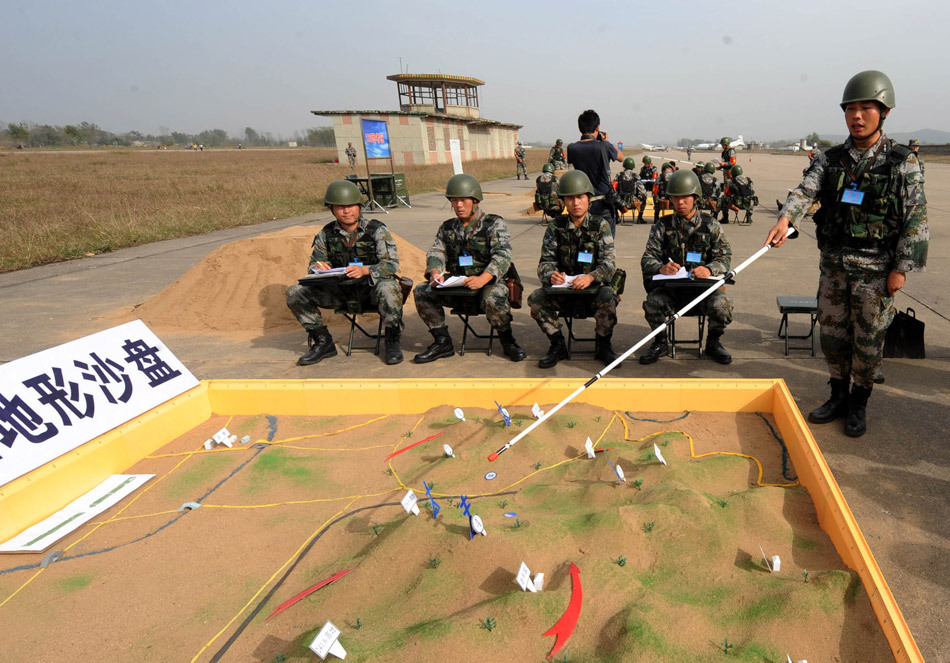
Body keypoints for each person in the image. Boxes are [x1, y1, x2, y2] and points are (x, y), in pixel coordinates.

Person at [766, 70, 928, 437]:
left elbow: (915, 216)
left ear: (883, 112)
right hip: (835, 265)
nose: (857, 116)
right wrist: (785, 218)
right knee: (833, 337)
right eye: (850, 109)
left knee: (868, 342)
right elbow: (805, 190)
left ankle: (858, 403)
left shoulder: (901, 161)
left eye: (866, 108)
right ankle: (837, 395)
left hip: (876, 269)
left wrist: (901, 268)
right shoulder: (831, 159)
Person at [286, 180, 404, 366]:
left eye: (350, 206)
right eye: (340, 207)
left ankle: (392, 340)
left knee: (389, 287)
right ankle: (323, 342)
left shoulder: (377, 230)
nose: (346, 211)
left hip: (371, 292)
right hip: (340, 293)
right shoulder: (325, 234)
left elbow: (391, 265)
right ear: (332, 209)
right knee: (295, 292)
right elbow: (314, 264)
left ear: (359, 206)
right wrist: (319, 268)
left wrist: (365, 270)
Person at [413, 174, 526, 363]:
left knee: (494, 297)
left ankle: (508, 340)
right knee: (421, 291)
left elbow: (503, 255)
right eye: (454, 201)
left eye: (463, 200)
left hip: (487, 282)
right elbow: (436, 251)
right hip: (458, 283)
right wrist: (435, 272)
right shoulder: (447, 227)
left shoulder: (494, 224)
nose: (458, 205)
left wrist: (482, 278)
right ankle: (442, 341)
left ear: (475, 201)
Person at [639, 170, 734, 366]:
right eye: (675, 198)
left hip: (703, 292)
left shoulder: (711, 225)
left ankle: (713, 343)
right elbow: (647, 258)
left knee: (722, 307)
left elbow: (725, 258)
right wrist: (660, 268)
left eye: (685, 197)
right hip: (671, 291)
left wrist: (709, 269)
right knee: (652, 303)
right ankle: (660, 342)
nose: (680, 202)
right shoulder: (662, 226)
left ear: (695, 198)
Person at [529, 171, 619, 368]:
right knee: (536, 299)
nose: (575, 203)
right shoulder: (556, 227)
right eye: (570, 198)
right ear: (564, 201)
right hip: (564, 292)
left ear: (589, 199)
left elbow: (609, 263)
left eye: (580, 197)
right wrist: (551, 275)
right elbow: (545, 262)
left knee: (609, 296)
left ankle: (604, 345)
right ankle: (557, 344)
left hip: (592, 291)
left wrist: (591, 277)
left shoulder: (600, 225)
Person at [567, 109, 625, 236]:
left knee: (584, 245)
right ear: (597, 126)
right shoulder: (604, 146)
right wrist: (606, 141)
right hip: (603, 204)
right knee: (606, 246)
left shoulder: (572, 148)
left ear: (580, 128)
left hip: (582, 204)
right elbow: (622, 157)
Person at [614, 157, 647, 224]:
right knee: (644, 200)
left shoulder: (619, 175)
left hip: (620, 203)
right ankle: (639, 218)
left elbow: (613, 188)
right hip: (633, 203)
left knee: (612, 199)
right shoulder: (636, 176)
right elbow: (643, 192)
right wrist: (639, 198)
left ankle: (617, 218)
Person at [638, 156, 658, 223]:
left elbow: (654, 178)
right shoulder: (642, 169)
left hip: (652, 186)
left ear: (649, 163)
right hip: (644, 186)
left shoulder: (654, 169)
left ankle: (656, 218)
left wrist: (648, 180)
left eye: (646, 163)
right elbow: (639, 178)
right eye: (644, 163)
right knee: (643, 199)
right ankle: (640, 217)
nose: (645, 165)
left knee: (655, 200)